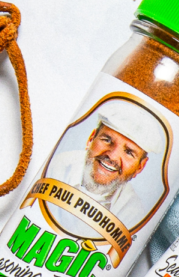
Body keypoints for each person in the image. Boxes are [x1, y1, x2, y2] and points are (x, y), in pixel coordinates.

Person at [42, 97, 166, 239]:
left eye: (129, 152)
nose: (112, 157)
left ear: (140, 167)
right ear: (91, 139)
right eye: (107, 140)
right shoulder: (57, 167)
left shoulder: (132, 212)